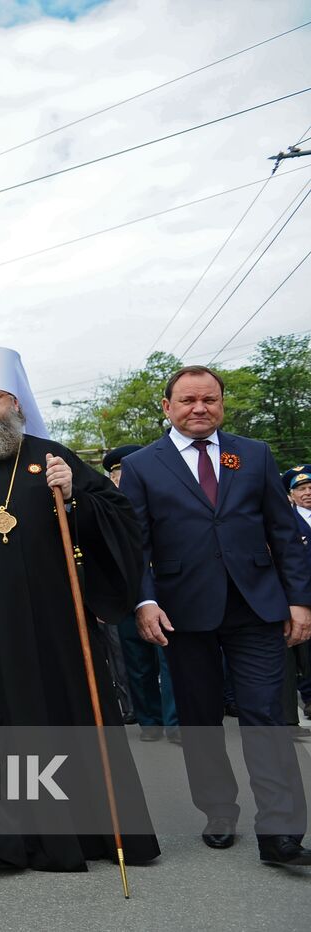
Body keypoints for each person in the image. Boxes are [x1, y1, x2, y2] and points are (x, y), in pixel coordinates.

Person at [0, 346, 160, 872]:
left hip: (53, 627)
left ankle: (83, 834)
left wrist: (75, 498)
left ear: (16, 403)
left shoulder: (53, 457)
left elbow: (120, 522)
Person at [121, 366, 311, 866]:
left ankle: (281, 832)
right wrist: (144, 602)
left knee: (265, 717)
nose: (199, 408)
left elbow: (284, 531)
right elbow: (134, 547)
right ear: (167, 406)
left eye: (210, 399)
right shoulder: (143, 465)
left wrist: (300, 601)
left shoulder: (254, 454)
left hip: (256, 607)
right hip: (183, 613)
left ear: (223, 403)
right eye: (187, 400)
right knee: (201, 720)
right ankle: (219, 811)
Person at [104, 444, 179, 744]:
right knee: (136, 660)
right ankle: (150, 720)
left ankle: (176, 723)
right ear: (111, 477)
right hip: (125, 593)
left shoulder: (164, 499)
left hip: (163, 589)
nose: (125, 477)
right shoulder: (105, 507)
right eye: (119, 472)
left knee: (169, 656)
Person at [287, 465, 311, 721]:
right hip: (303, 598)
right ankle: (309, 697)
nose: (307, 493)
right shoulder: (286, 521)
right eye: (301, 489)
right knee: (305, 652)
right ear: (291, 495)